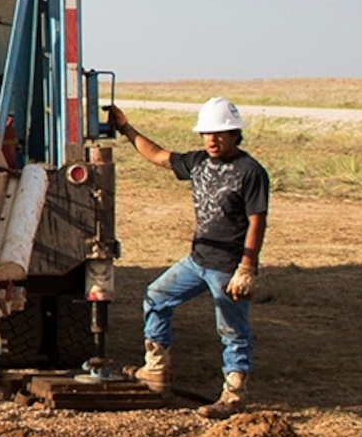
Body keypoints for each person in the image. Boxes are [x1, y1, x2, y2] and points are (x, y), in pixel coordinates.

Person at [108, 96, 269, 417]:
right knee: (156, 296)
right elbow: (157, 155)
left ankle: (234, 396)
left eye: (219, 134)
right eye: (207, 134)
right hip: (197, 262)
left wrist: (247, 266)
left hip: (228, 269)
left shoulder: (250, 172)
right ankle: (155, 368)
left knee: (232, 331)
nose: (212, 139)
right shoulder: (197, 163)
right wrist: (125, 128)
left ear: (236, 134)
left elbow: (257, 220)